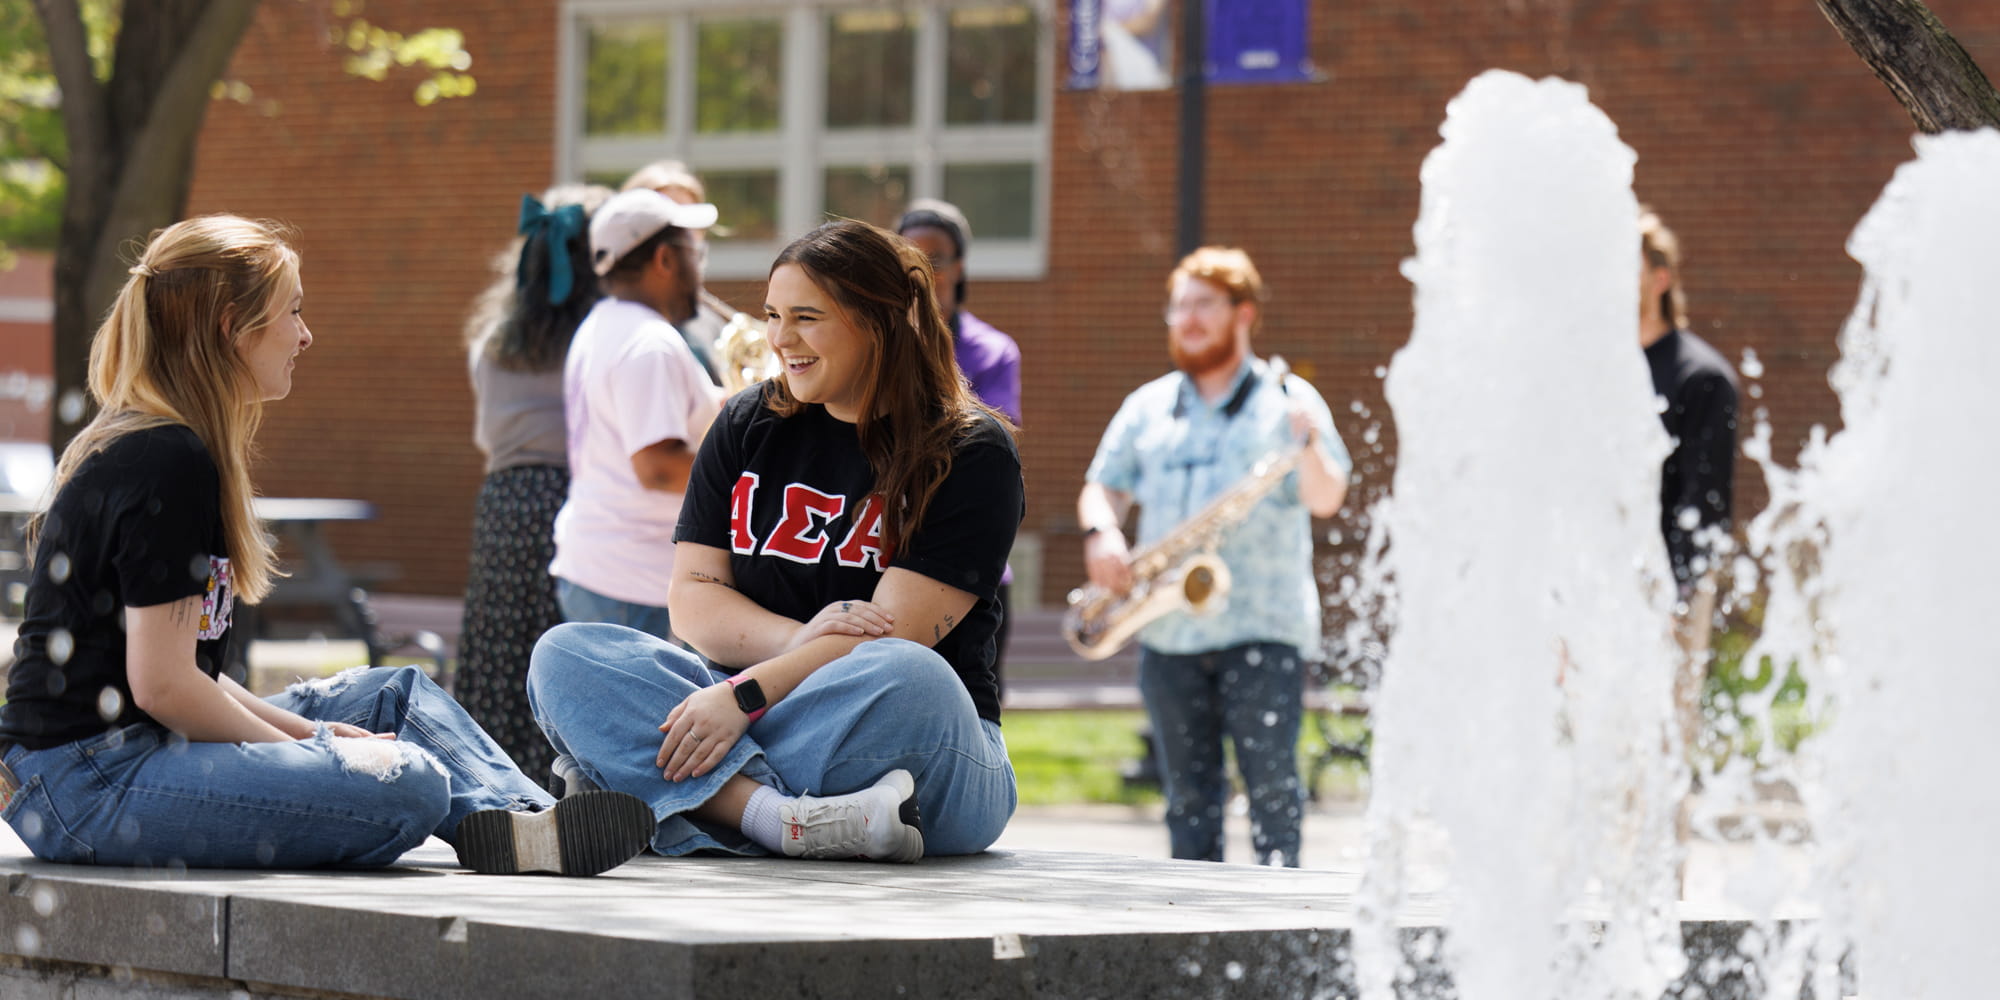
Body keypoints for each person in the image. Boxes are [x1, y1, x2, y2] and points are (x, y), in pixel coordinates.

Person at [0, 215, 654, 875]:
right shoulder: (165, 458)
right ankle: (515, 826)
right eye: (293, 312)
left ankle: (533, 829)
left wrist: (309, 736)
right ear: (233, 327)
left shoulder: (174, 448)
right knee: (408, 781)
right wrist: (317, 744)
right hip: (89, 781)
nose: (306, 335)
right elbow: (166, 687)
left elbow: (180, 676)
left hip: (132, 749)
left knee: (393, 696)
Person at [527, 219, 1021, 862]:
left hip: (916, 742)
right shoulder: (745, 422)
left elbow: (891, 636)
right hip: (750, 708)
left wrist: (746, 696)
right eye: (773, 315)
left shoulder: (970, 450)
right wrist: (792, 644)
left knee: (910, 676)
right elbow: (693, 600)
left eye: (807, 318)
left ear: (879, 321)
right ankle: (781, 819)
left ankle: (653, 790)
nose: (780, 340)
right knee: (566, 656)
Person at [1077, 247, 1349, 867]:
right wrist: (1103, 533)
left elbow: (1327, 497)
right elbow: (1105, 486)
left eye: (1204, 305)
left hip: (1261, 629)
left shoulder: (1289, 399)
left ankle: (1280, 935)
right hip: (1168, 633)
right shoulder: (1148, 405)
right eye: (1178, 307)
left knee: (1274, 797)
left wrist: (1307, 442)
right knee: (1186, 803)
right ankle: (1192, 937)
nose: (1188, 319)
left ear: (1242, 313)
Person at [455, 184, 610, 789]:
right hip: (574, 498)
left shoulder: (493, 337)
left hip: (504, 502)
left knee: (498, 653)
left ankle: (490, 786)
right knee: (563, 655)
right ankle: (565, 786)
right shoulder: (597, 336)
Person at [548, 188, 721, 640]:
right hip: (635, 582)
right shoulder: (649, 343)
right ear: (665, 258)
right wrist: (747, 469)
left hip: (608, 570)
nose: (699, 267)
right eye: (694, 251)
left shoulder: (604, 323)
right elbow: (659, 468)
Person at [895, 199, 1023, 695]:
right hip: (886, 556)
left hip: (971, 567)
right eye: (908, 257)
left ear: (959, 267)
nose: (923, 271)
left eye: (936, 258)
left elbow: (992, 443)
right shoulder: (876, 343)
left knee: (970, 712)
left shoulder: (993, 352)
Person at [1638, 207, 1739, 761]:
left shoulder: (1701, 377)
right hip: (1597, 582)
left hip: (1669, 588)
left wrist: (1674, 602)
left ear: (1660, 278)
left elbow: (1706, 506)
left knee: (1661, 749)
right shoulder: (1600, 368)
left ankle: (1663, 852)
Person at [622, 160, 727, 383]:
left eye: (693, 224)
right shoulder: (622, 324)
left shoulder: (708, 322)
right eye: (672, 225)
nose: (687, 238)